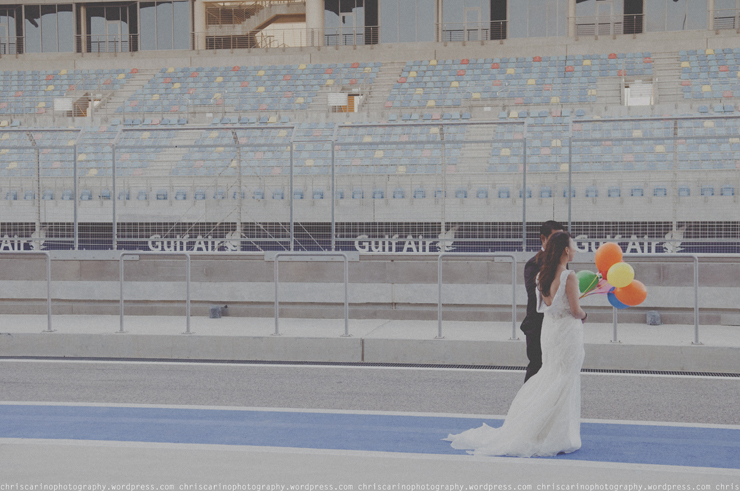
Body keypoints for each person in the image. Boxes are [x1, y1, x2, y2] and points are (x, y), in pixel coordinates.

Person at [444, 231, 587, 457]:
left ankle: (538, 428)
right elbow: (576, 311)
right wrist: (585, 313)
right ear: (566, 250)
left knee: (550, 374)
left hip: (550, 331)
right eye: (573, 246)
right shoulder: (569, 276)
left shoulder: (542, 275)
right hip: (567, 332)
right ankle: (556, 434)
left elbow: (550, 304)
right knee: (565, 378)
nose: (576, 249)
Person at [521, 220, 564, 383]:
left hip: (557, 325)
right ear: (543, 239)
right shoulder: (533, 264)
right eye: (555, 238)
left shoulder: (562, 262)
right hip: (538, 325)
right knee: (536, 368)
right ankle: (526, 399)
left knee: (556, 369)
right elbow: (535, 297)